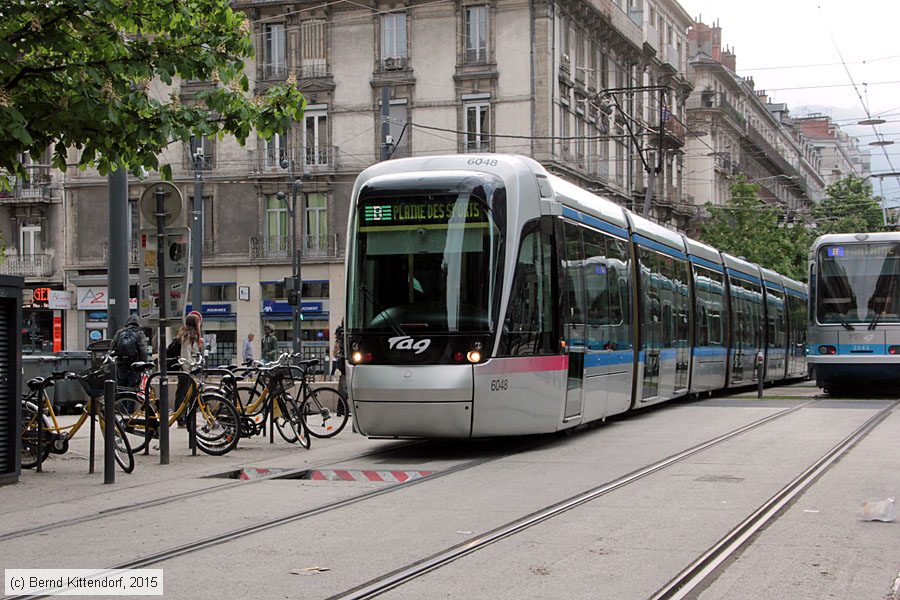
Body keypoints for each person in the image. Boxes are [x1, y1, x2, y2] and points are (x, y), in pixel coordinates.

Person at [174, 312, 204, 426]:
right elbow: (185, 355)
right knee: (183, 394)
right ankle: (181, 419)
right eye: (198, 323)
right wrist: (189, 371)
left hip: (190, 370)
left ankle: (188, 419)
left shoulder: (193, 336)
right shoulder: (188, 336)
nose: (200, 325)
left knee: (191, 395)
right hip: (186, 371)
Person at [110, 315, 149, 388]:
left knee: (121, 385)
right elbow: (143, 349)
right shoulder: (139, 333)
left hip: (121, 363)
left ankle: (122, 398)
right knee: (133, 385)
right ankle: (130, 398)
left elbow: (112, 346)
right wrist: (144, 363)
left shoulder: (120, 332)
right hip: (134, 363)